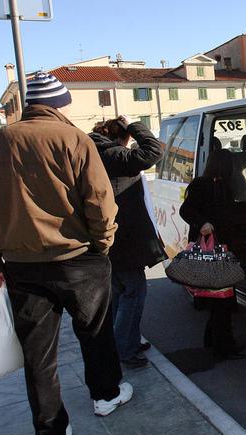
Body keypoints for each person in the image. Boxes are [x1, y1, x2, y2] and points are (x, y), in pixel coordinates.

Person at [0, 72, 131, 435]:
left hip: (21, 264)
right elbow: (100, 202)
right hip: (78, 259)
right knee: (96, 333)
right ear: (59, 105)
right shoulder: (74, 138)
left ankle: (51, 429)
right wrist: (102, 245)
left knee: (38, 353)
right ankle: (105, 395)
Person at [89, 116, 166, 368]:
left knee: (119, 293)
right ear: (122, 138)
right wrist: (135, 125)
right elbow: (154, 150)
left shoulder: (92, 152)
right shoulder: (113, 155)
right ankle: (125, 348)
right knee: (133, 293)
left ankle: (126, 340)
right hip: (124, 238)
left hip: (108, 238)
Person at [179, 149, 246, 361]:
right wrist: (202, 223)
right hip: (213, 252)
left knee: (219, 300)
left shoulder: (224, 186)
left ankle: (213, 341)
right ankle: (223, 347)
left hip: (223, 250)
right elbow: (186, 210)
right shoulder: (202, 185)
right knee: (221, 301)